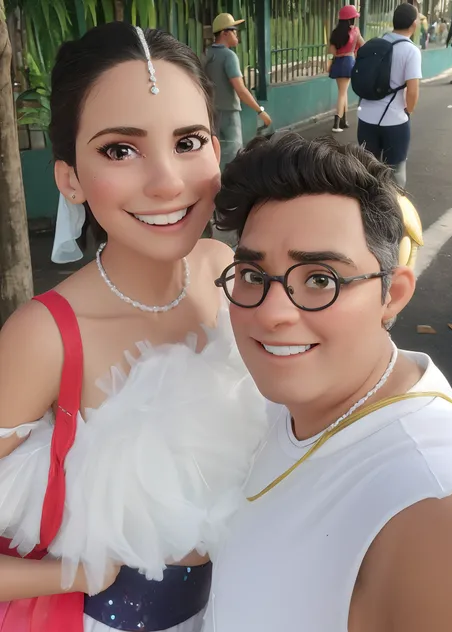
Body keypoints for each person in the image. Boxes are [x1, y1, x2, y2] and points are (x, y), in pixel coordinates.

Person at [0, 22, 267, 632]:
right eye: (121, 149)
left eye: (189, 140)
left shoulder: (228, 274)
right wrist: (74, 574)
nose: (168, 181)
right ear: (68, 178)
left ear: (217, 152)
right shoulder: (44, 336)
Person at [204, 133, 452, 632]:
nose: (273, 313)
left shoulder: (439, 507)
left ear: (392, 295)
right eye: (252, 274)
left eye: (321, 279)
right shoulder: (277, 405)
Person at [357, 3, 422, 190]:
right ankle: (393, 213)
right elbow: (412, 91)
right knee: (395, 172)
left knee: (367, 169)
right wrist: (408, 111)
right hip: (395, 120)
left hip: (366, 117)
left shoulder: (376, 43)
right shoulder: (411, 51)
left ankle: (368, 211)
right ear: (413, 24)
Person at [204, 13, 272, 167]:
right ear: (224, 33)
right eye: (233, 30)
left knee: (214, 155)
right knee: (233, 157)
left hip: (210, 113)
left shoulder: (207, 54)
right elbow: (241, 90)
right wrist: (260, 111)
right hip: (228, 114)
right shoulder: (229, 56)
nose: (236, 34)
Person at [328, 5, 364, 133]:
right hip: (349, 62)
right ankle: (337, 123)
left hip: (338, 62)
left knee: (343, 91)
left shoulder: (335, 32)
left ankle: (343, 120)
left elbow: (331, 51)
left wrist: (331, 61)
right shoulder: (355, 31)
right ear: (350, 19)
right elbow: (363, 44)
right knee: (342, 93)